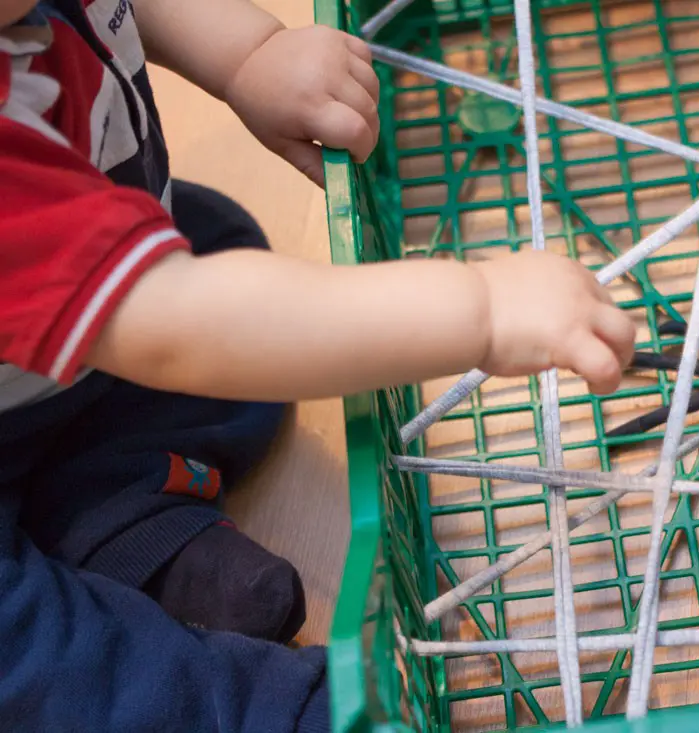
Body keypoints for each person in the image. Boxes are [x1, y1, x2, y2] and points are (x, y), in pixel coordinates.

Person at [0, 0, 635, 729]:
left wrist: (248, 55)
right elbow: (189, 325)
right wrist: (480, 309)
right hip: (126, 322)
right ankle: (252, 708)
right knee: (47, 668)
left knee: (226, 261)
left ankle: (116, 516)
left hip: (75, 341)